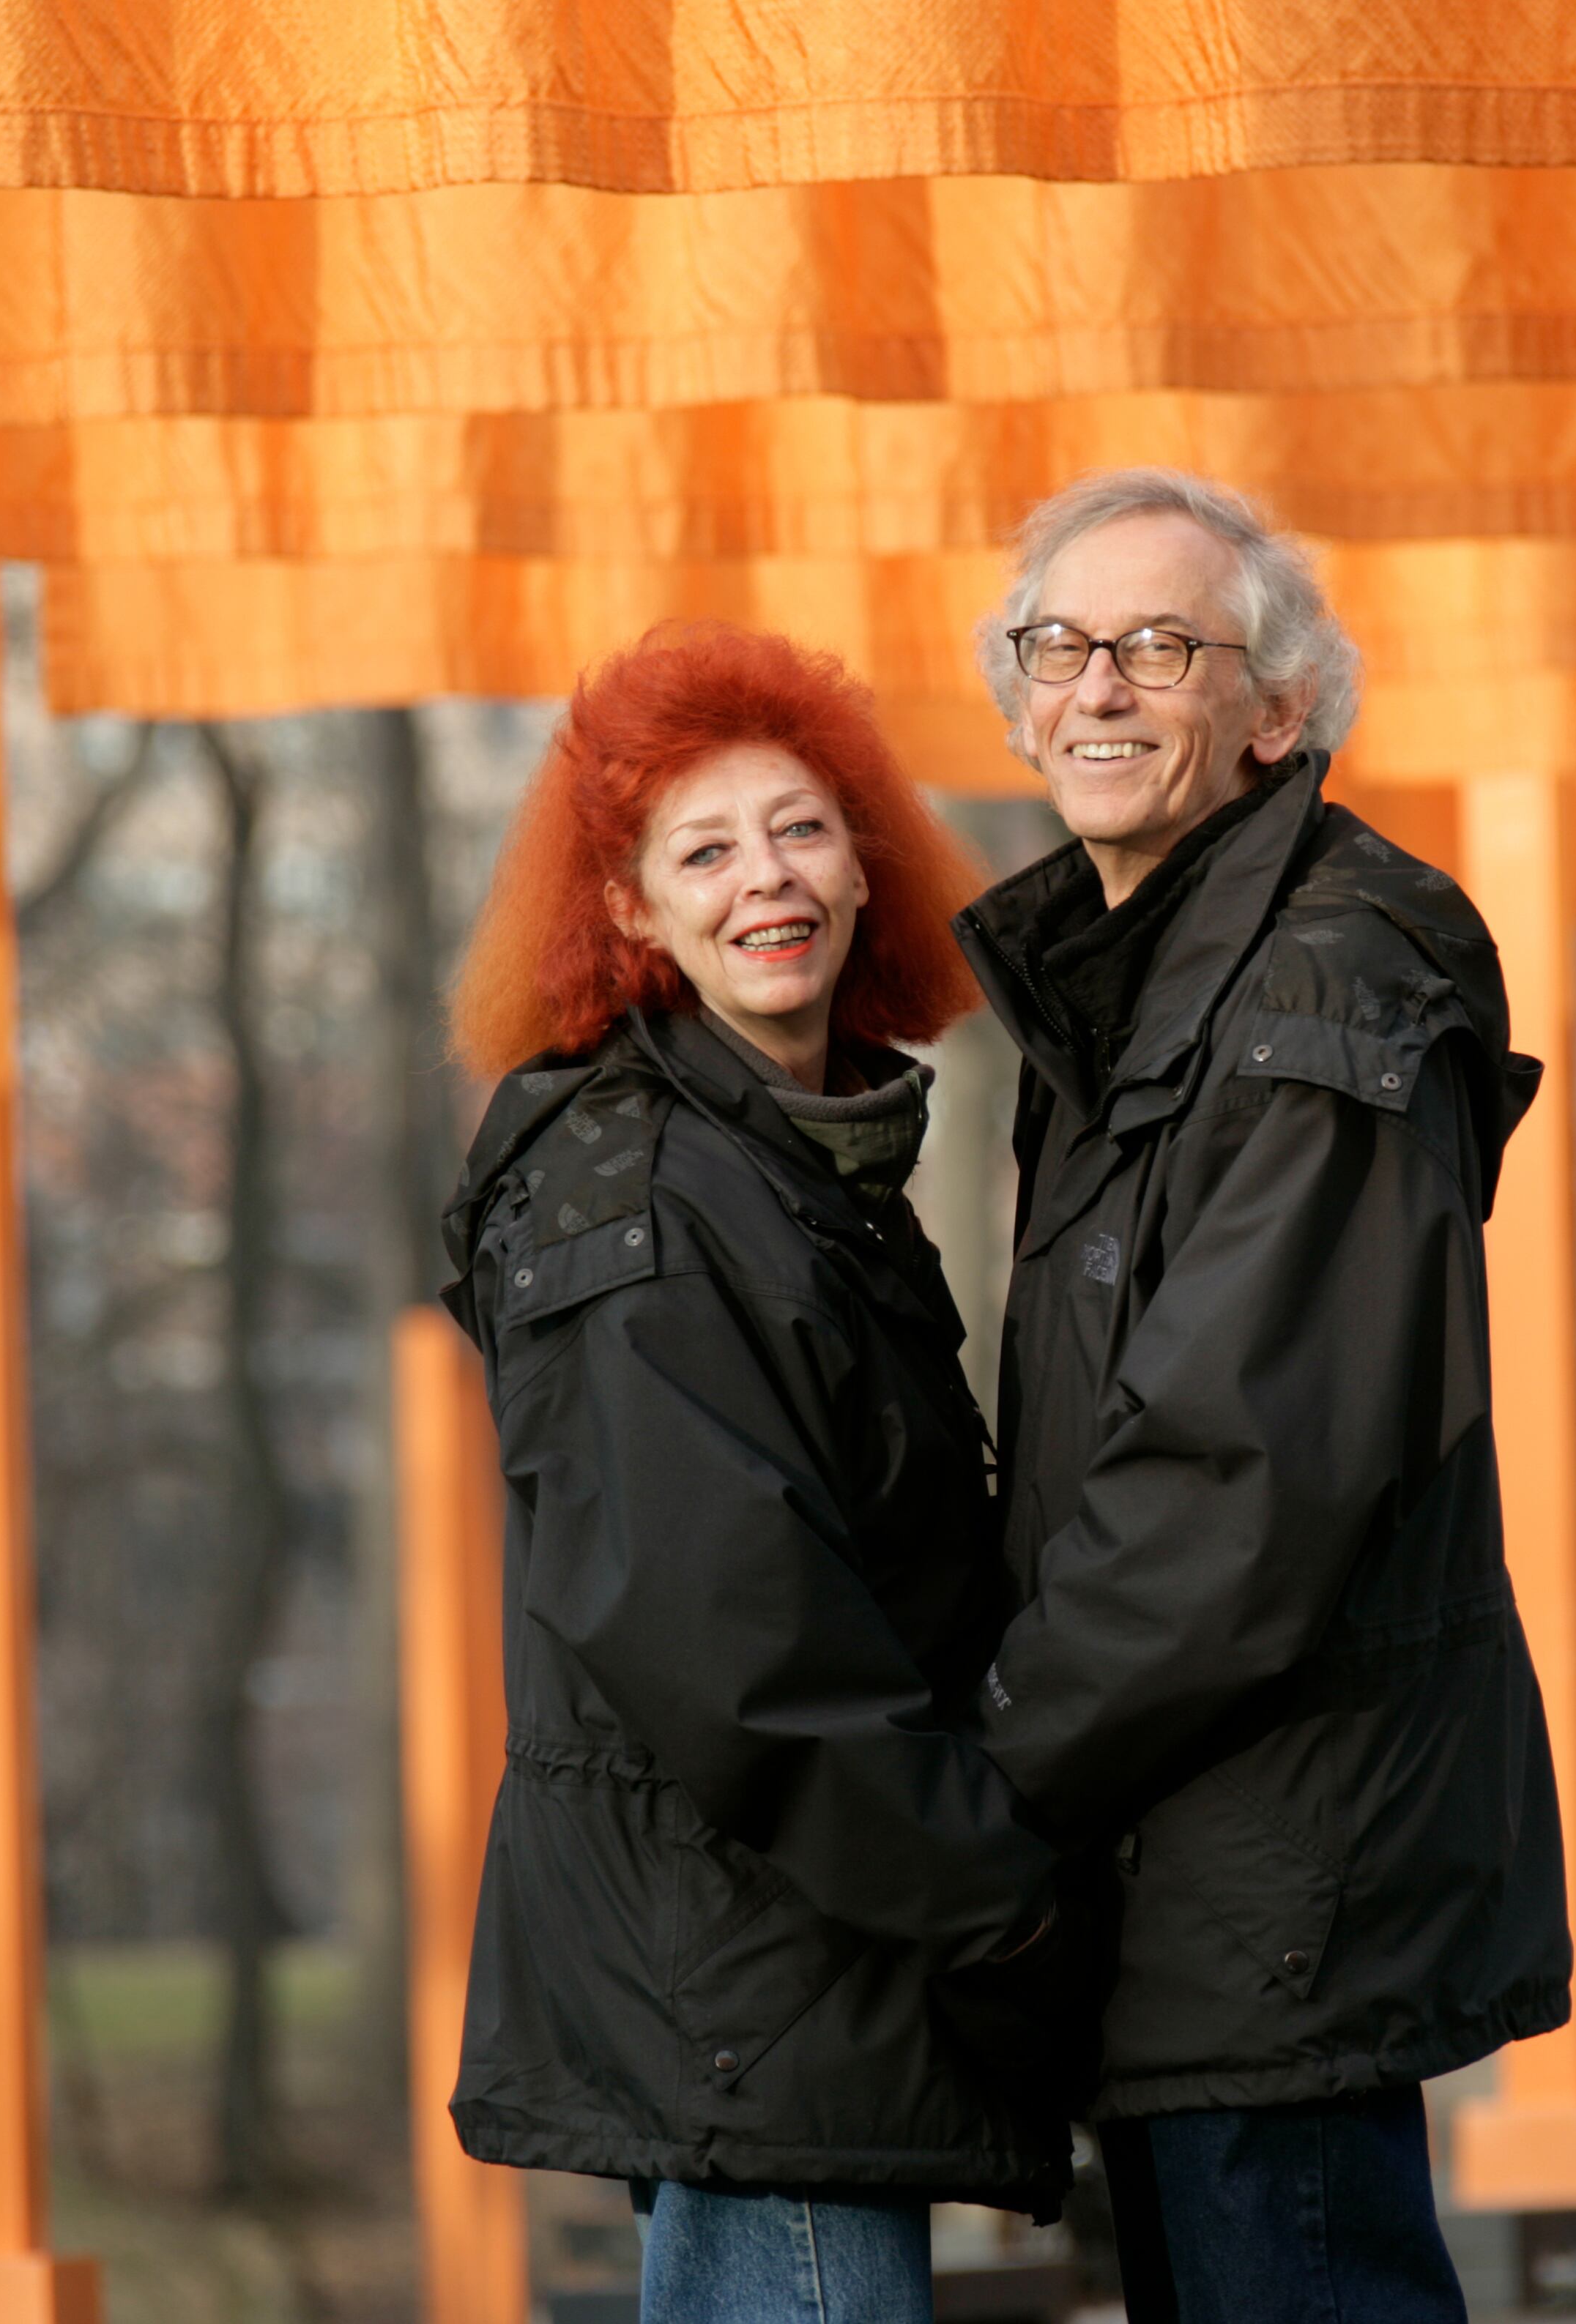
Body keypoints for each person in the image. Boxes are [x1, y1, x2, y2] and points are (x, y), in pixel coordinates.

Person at [951, 469, 1573, 2324]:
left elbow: (1240, 1483)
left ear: (1279, 711)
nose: (1100, 687)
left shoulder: (1324, 980)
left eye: (1161, 645)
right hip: (1184, 1860)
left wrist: (986, 1778)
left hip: (1275, 1870)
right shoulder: (1136, 985)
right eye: (1059, 646)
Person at [439, 623, 1080, 2324]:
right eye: (702, 850)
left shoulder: (796, 1165)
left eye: (799, 828)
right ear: (630, 911)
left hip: (807, 1954)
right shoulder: (641, 1203)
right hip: (751, 1972)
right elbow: (735, 1646)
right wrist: (1000, 1900)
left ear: (867, 864)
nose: (765, 880)